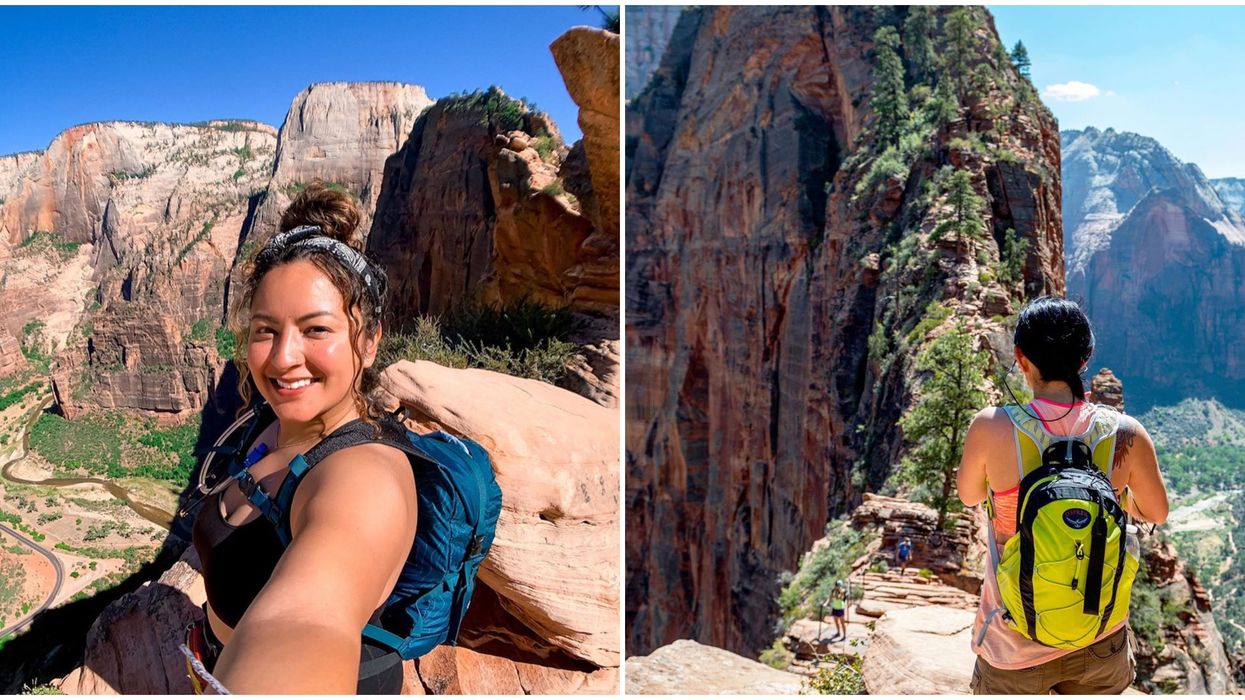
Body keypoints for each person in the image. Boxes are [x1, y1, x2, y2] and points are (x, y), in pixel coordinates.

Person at [188, 182, 416, 693]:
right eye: (265, 329)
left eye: (316, 330)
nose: (283, 356)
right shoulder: (271, 423)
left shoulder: (362, 478)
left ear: (370, 339)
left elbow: (307, 620)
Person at [957, 296, 1168, 694]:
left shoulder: (991, 427)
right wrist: (1121, 499)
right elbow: (1156, 511)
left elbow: (969, 496)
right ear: (1085, 359)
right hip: (1100, 637)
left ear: (1021, 358)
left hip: (1013, 642)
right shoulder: (1127, 432)